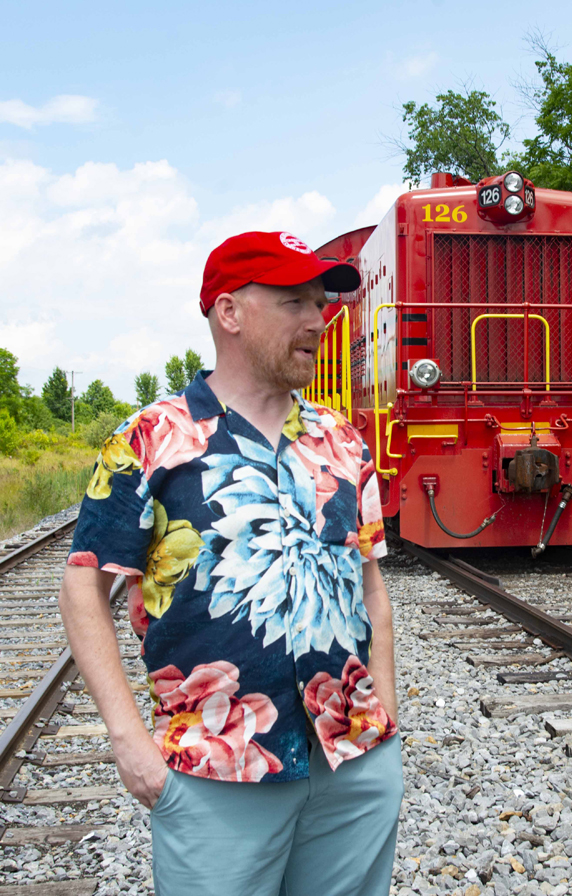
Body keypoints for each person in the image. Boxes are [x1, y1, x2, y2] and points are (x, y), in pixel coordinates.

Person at [59, 231, 403, 896]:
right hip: (217, 773)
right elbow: (82, 589)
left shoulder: (342, 441)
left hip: (353, 767)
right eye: (295, 302)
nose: (319, 320)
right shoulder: (151, 440)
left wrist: (384, 720)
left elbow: (371, 588)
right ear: (230, 313)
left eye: (322, 303)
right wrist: (129, 739)